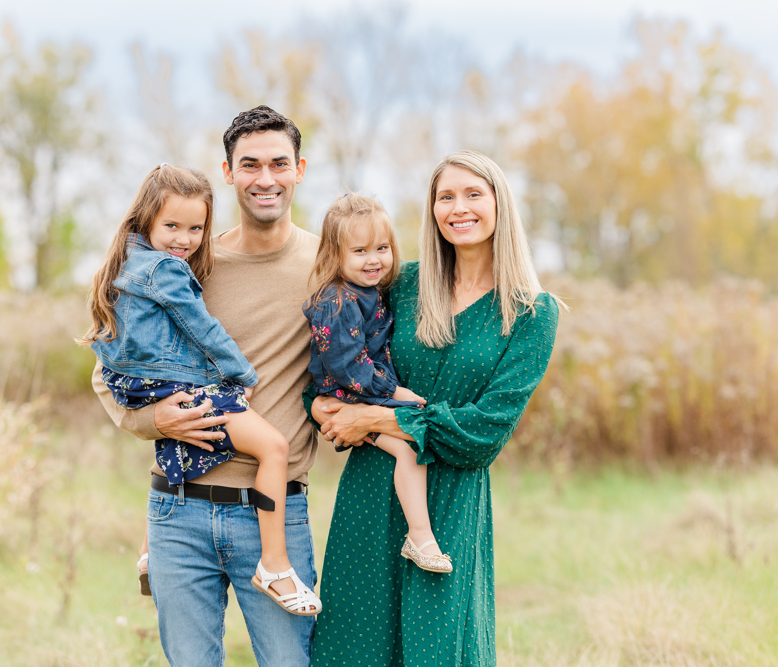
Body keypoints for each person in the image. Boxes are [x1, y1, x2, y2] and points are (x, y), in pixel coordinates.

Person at [306, 150, 564, 665]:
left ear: (499, 204)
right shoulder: (399, 284)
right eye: (445, 196)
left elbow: (483, 435)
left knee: (438, 650)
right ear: (432, 210)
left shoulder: (533, 313)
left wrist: (377, 417)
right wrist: (323, 409)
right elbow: (337, 354)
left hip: (448, 502)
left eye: (473, 194)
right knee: (353, 646)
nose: (458, 207)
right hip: (371, 491)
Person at [91, 107, 322, 665]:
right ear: (227, 171)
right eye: (249, 165)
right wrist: (153, 420)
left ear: (300, 169)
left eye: (278, 164)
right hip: (177, 512)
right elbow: (109, 368)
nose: (264, 178)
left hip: (273, 512)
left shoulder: (326, 264)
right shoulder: (191, 263)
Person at [303, 192, 452, 574]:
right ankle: (420, 537)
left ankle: (420, 536)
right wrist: (395, 392)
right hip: (348, 396)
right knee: (409, 444)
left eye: (382, 248)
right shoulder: (334, 301)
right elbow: (348, 367)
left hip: (363, 396)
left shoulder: (370, 292)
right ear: (336, 255)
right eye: (360, 251)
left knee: (409, 446)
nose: (374, 260)